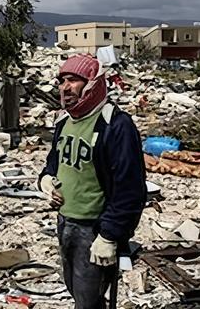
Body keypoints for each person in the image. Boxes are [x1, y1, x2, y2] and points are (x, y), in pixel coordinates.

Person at [38, 54, 146, 309]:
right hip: (66, 222)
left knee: (88, 300)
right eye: (62, 81)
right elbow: (54, 163)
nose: (65, 87)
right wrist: (45, 181)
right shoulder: (64, 122)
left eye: (73, 80)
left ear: (92, 84)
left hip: (94, 228)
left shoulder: (115, 124)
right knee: (75, 290)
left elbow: (130, 188)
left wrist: (109, 235)